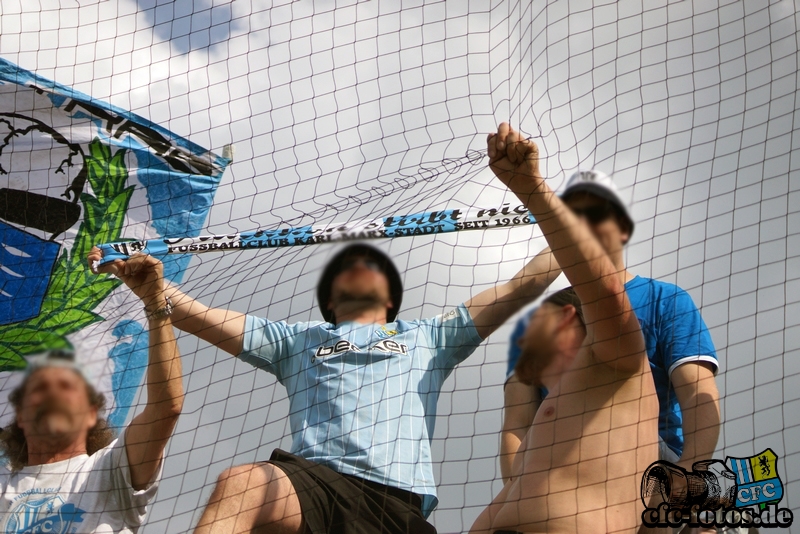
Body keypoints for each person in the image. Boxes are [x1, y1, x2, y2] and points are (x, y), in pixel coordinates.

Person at [89, 236, 560, 529]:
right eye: (345, 269)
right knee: (242, 484)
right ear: (330, 302)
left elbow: (524, 284)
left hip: (396, 505)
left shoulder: (431, 337)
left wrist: (568, 212)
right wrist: (149, 286)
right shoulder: (298, 340)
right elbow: (197, 314)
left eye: (372, 266)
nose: (359, 265)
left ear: (392, 296)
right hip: (313, 485)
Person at [469, 122, 659, 533]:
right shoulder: (555, 415)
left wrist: (532, 190)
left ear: (570, 318)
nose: (526, 330)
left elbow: (605, 290)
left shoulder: (619, 357)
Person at [500, 168, 721, 478]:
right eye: (572, 218)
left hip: (649, 465)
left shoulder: (666, 300)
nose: (584, 226)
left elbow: (698, 395)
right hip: (559, 470)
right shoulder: (540, 320)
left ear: (623, 230)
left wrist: (686, 476)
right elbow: (517, 423)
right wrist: (515, 497)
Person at [0, 253, 184, 534]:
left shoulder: (110, 468)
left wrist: (155, 303)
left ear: (91, 416)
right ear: (20, 419)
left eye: (67, 388)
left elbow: (165, 408)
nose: (52, 394)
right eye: (38, 389)